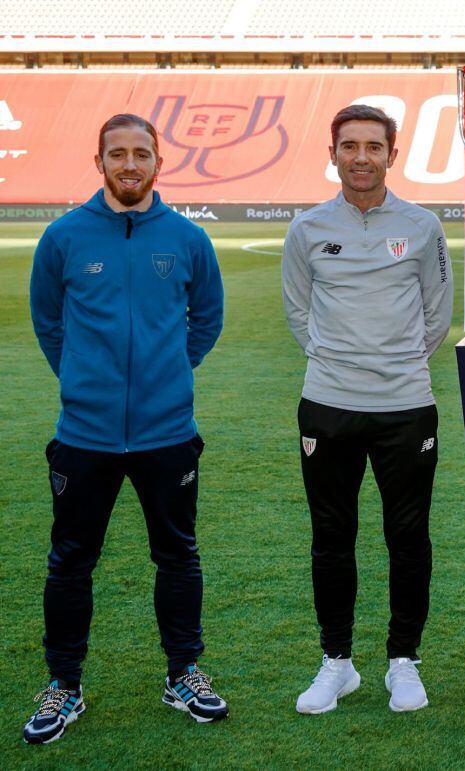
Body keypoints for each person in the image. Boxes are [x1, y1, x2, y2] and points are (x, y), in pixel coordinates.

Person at [24, 114, 227, 744]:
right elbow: (48, 323)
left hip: (168, 434)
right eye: (119, 154)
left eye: (142, 153)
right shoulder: (63, 237)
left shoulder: (189, 240)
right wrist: (86, 379)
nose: (130, 164)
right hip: (84, 435)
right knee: (70, 562)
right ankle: (65, 684)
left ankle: (182, 672)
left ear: (158, 162)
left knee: (178, 555)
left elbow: (207, 320)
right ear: (100, 161)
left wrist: (168, 374)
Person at [282, 105, 452, 714]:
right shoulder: (306, 229)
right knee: (332, 537)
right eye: (349, 146)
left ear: (391, 155)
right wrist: (341, 365)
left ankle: (403, 662)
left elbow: (439, 316)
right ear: (333, 154)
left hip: (406, 407)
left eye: (373, 147)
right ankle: (338, 663)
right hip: (327, 406)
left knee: (407, 536)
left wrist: (394, 366)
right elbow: (299, 314)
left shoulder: (423, 226)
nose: (361, 157)